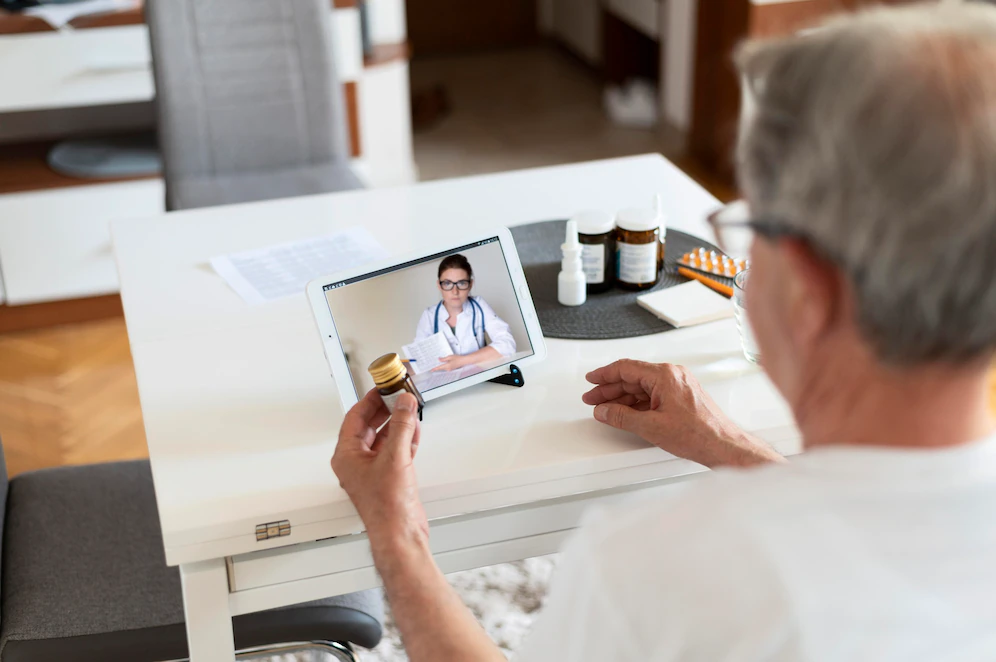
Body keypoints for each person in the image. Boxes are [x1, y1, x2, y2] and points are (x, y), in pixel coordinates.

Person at [332, 4, 996, 660]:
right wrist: (732, 446)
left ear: (809, 289)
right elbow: (877, 527)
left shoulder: (656, 573)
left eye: (750, 230)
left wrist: (396, 533)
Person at [413, 254, 517, 372]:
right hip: (445, 382)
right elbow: (419, 359)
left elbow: (507, 344)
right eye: (447, 283)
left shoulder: (479, 305)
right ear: (439, 285)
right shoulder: (429, 316)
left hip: (480, 377)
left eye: (461, 283)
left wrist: (462, 361)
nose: (455, 291)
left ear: (470, 284)